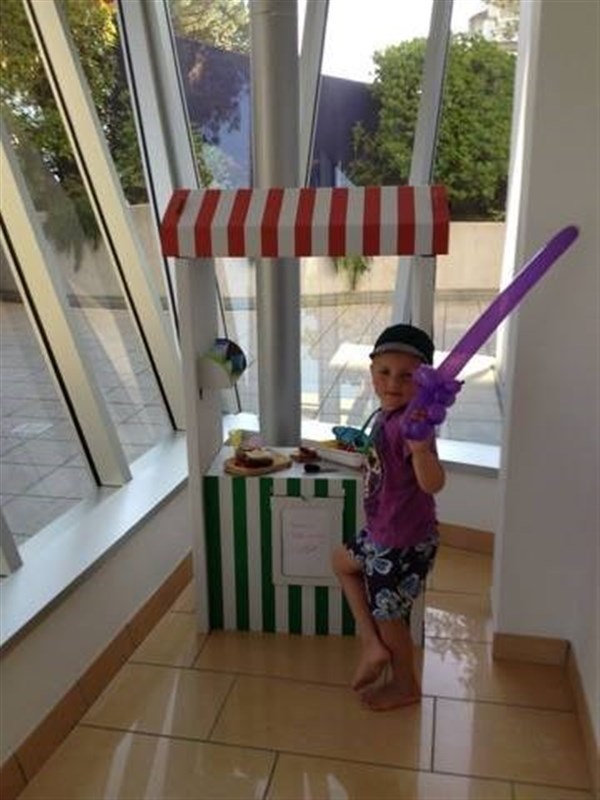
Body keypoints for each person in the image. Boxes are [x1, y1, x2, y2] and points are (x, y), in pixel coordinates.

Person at [331, 323, 445, 711]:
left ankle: (405, 685)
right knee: (341, 561)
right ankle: (371, 645)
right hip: (382, 531)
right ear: (372, 373)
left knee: (390, 618)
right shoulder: (388, 414)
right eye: (384, 372)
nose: (393, 383)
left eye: (407, 376)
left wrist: (423, 452)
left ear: (424, 383)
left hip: (401, 541)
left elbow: (433, 483)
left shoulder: (414, 426)